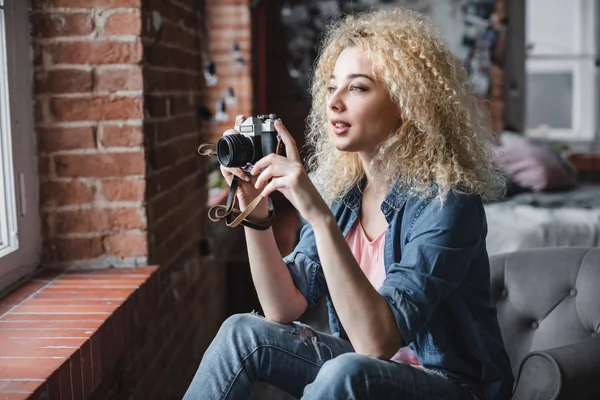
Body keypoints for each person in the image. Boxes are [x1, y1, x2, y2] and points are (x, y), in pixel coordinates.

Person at [184, 7, 513, 400]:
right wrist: (256, 215)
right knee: (242, 333)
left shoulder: (448, 202)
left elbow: (376, 343)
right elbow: (283, 307)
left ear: (407, 103)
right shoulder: (345, 195)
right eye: (331, 87)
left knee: (347, 369)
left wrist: (318, 217)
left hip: (451, 385)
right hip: (364, 372)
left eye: (357, 87)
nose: (334, 103)